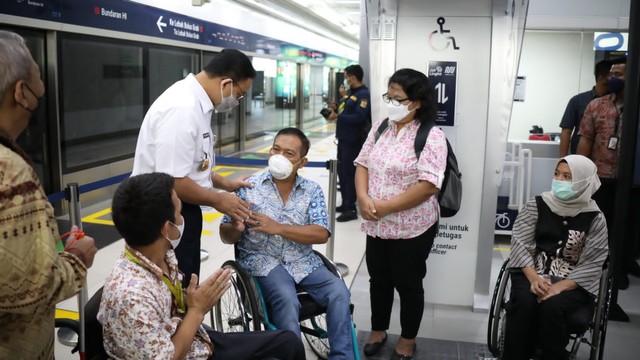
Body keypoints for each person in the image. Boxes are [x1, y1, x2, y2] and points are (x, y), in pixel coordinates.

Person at [100, 172, 305, 360]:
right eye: (180, 212)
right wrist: (197, 310)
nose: (182, 219)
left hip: (195, 339)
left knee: (287, 342)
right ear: (166, 228)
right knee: (282, 349)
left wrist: (190, 303)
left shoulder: (159, 254)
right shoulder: (132, 297)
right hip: (186, 351)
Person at [0, 30, 98, 358]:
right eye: (38, 77)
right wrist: (77, 258)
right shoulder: (11, 173)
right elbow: (30, 289)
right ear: (21, 92)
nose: (42, 89)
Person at [219, 128, 354, 359]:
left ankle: (342, 356)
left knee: (339, 292)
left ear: (302, 162)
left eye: (289, 153)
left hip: (303, 261)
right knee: (287, 299)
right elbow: (225, 234)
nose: (279, 157)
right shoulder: (248, 188)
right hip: (263, 261)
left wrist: (278, 228)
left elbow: (321, 234)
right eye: (276, 149)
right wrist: (235, 228)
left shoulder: (312, 190)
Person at [132, 49, 254, 286]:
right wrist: (219, 200)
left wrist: (225, 183)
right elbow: (174, 181)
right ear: (226, 82)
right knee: (176, 286)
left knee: (185, 278)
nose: (237, 102)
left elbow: (192, 165)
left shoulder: (198, 103)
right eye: (240, 95)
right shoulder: (183, 108)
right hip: (163, 214)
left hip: (181, 207)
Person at [354, 68, 447, 360]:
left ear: (416, 102)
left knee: (408, 284)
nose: (390, 103)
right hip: (376, 223)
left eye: (397, 98)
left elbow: (429, 185)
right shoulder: (381, 126)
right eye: (388, 96)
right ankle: (378, 329)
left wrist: (385, 207)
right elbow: (362, 163)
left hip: (412, 227)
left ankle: (408, 338)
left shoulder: (431, 136)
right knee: (378, 279)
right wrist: (362, 197)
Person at [503, 155, 608, 360]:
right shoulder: (538, 204)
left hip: (573, 282)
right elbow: (520, 244)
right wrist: (534, 279)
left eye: (567, 176)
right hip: (532, 271)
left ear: (584, 181)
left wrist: (559, 287)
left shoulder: (595, 218)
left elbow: (593, 261)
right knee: (524, 303)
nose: (559, 180)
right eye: (557, 174)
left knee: (553, 306)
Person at [576, 56, 639, 289]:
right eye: (612, 74)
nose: (613, 79)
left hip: (631, 183)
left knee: (627, 231)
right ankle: (593, 272)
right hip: (600, 179)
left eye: (619, 74)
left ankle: (619, 272)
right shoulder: (596, 105)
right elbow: (585, 141)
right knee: (598, 227)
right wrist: (580, 176)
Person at [328, 64, 372, 222]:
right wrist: (334, 110)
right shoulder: (350, 94)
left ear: (353, 77)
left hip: (354, 141)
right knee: (341, 171)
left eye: (346, 77)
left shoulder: (363, 95)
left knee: (349, 173)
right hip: (343, 139)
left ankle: (351, 208)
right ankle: (345, 203)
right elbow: (344, 111)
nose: (345, 80)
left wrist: (338, 117)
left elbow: (359, 118)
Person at [558, 59, 611, 157]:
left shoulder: (615, 102)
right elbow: (566, 132)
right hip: (581, 156)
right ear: (601, 78)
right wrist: (563, 160)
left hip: (605, 159)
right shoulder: (578, 101)